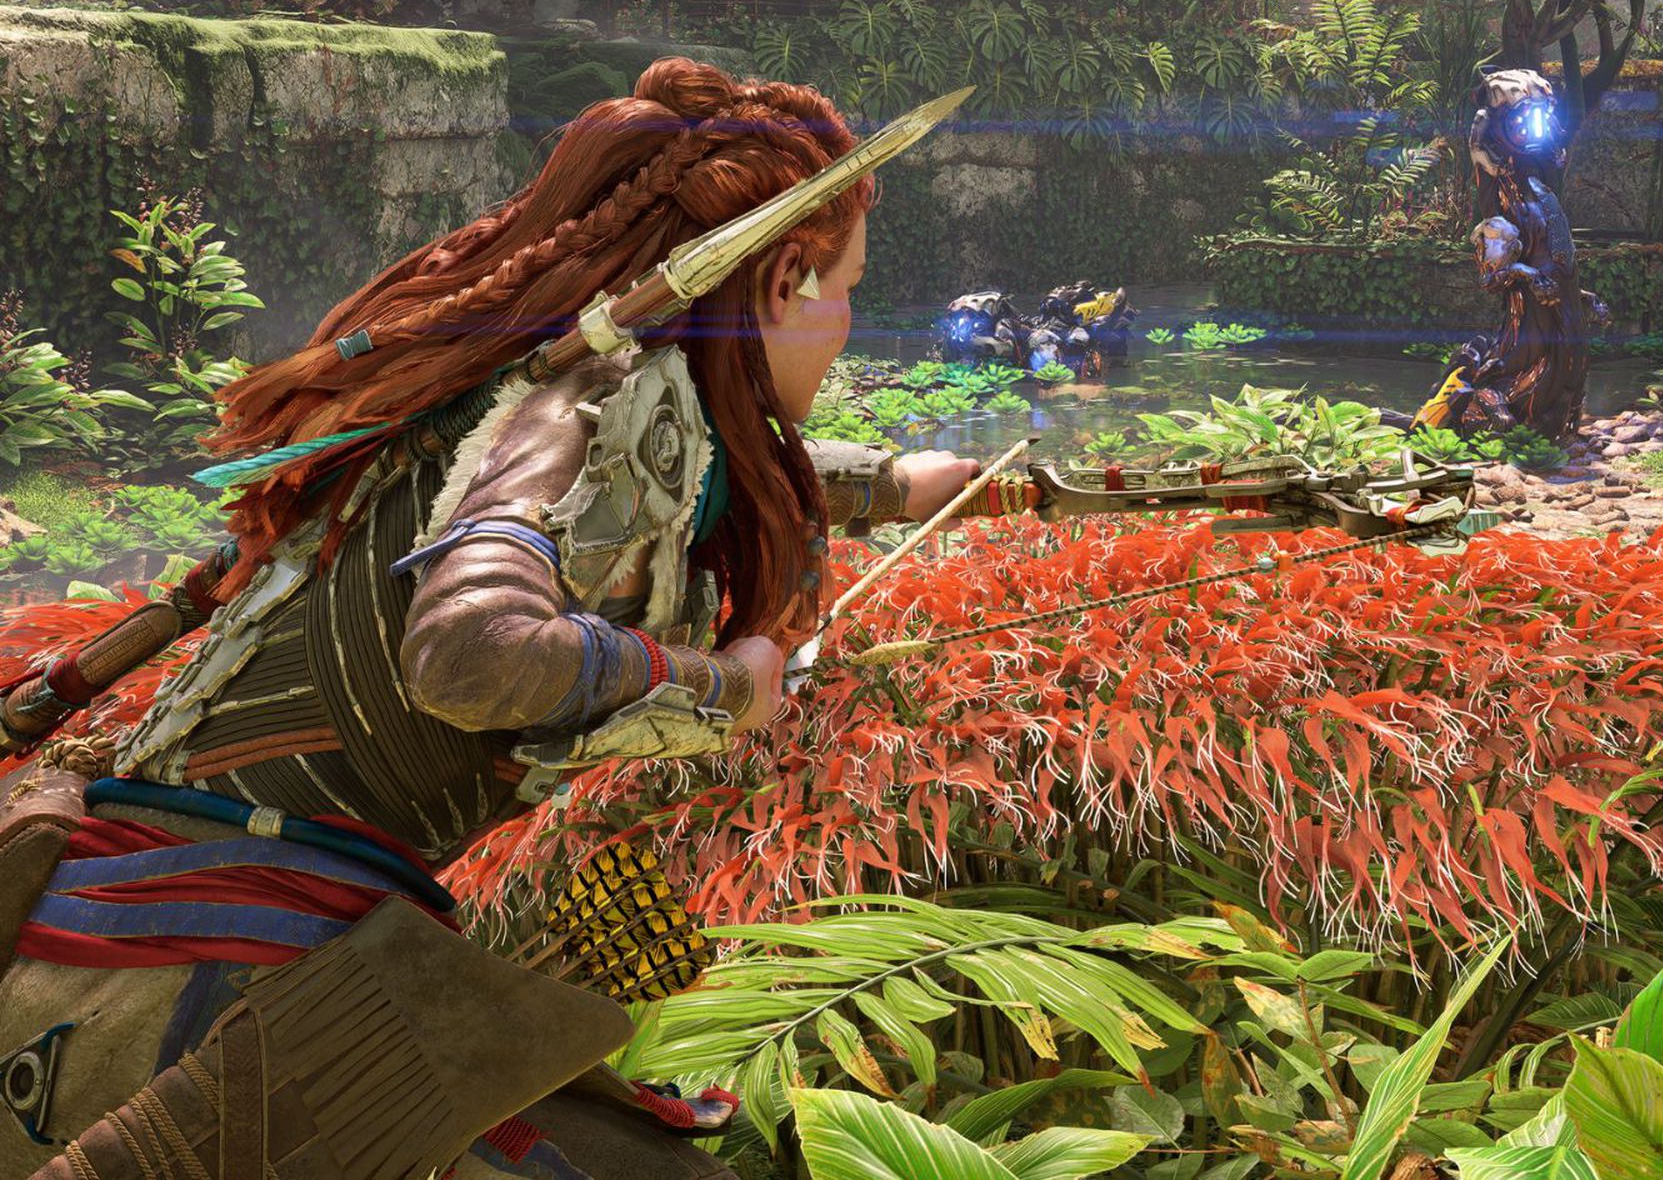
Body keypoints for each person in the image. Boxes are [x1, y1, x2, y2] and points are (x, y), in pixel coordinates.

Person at [0, 58, 978, 1178]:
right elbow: (468, 652)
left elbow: (725, 474)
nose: (849, 320)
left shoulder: (561, 395)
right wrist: (726, 686)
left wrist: (904, 487)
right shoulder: (575, 411)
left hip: (173, 903)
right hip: (221, 945)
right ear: (784, 278)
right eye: (848, 283)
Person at [1413, 68, 1593, 440]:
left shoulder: (1538, 187)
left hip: (1563, 317)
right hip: (1529, 330)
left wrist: (1581, 297)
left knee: (1567, 372)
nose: (1532, 127)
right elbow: (1491, 278)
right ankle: (1480, 409)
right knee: (1524, 381)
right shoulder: (1502, 205)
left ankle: (1556, 422)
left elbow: (1559, 255)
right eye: (1523, 118)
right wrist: (1527, 275)